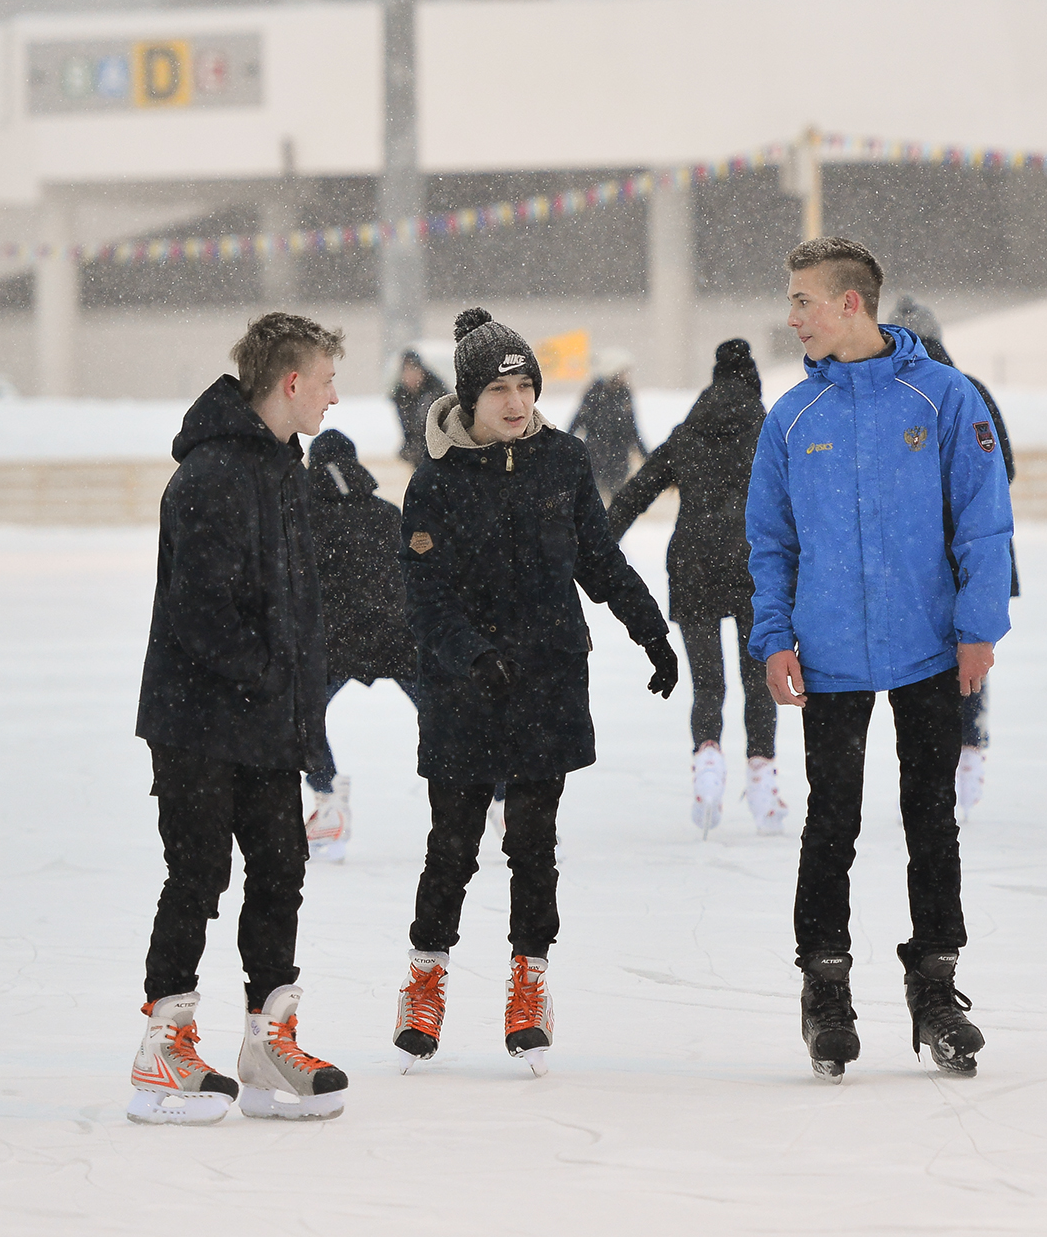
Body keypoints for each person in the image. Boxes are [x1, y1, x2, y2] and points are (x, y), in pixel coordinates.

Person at [747, 238, 1014, 1081]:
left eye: (802, 302)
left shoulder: (941, 396)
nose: (791, 318)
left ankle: (936, 986)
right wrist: (775, 634)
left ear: (851, 303)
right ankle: (824, 987)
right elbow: (770, 542)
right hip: (828, 657)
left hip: (929, 649)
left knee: (932, 820)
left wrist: (978, 627)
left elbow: (984, 519)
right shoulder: (790, 416)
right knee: (832, 821)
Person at [391, 307, 680, 1077]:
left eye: (524, 386)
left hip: (548, 677)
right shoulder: (436, 483)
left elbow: (598, 557)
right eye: (500, 391)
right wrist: (471, 657)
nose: (516, 404)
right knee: (451, 846)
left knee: (532, 844)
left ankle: (529, 983)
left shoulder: (563, 460)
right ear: (470, 400)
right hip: (463, 690)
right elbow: (425, 599)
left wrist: (648, 627)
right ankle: (426, 978)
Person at [130, 312, 350, 1125]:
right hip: (195, 720)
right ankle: (163, 1051)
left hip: (262, 720)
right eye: (326, 381)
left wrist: (297, 701)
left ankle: (267, 1045)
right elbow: (201, 615)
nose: (334, 397)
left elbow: (290, 606)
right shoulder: (212, 475)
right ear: (291, 383)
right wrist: (273, 681)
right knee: (196, 877)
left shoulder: (282, 471)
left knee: (281, 871)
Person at [607, 337, 785, 838]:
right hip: (755, 567)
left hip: (694, 565)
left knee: (708, 685)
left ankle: (707, 771)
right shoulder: (771, 431)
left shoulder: (687, 434)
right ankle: (763, 782)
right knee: (758, 682)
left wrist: (592, 552)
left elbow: (633, 495)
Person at [885, 294, 1018, 821]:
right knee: (971, 655)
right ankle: (970, 748)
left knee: (921, 661)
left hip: (916, 555)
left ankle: (931, 764)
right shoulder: (971, 389)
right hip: (973, 553)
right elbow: (1002, 470)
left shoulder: (896, 396)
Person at [299, 428, 421, 863]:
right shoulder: (388, 515)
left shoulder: (302, 521)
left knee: (302, 717)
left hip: (332, 642)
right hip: (398, 636)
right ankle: (499, 795)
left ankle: (327, 796)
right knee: (451, 715)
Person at [568, 348, 648, 501]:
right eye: (623, 372)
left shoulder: (625, 393)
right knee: (593, 501)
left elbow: (632, 428)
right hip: (596, 456)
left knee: (615, 501)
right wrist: (561, 447)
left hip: (619, 458)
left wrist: (646, 455)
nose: (626, 376)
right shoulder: (594, 392)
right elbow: (577, 422)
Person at [390, 348, 450, 467]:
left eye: (414, 369)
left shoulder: (435, 393)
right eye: (406, 371)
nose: (410, 375)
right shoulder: (401, 396)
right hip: (418, 454)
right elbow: (408, 430)